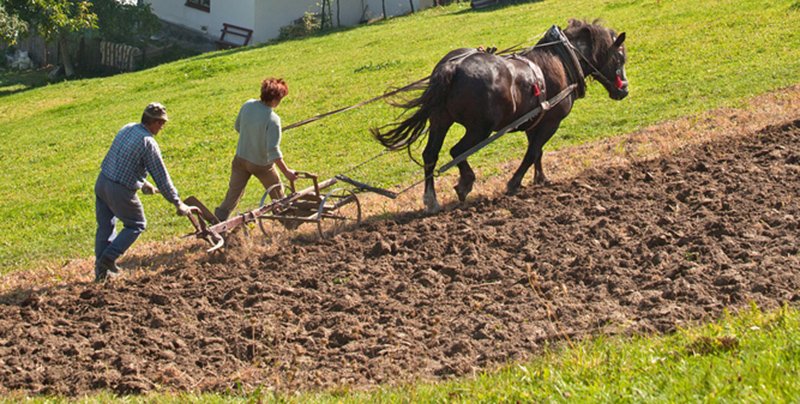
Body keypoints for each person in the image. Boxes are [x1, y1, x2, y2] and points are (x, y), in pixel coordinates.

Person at [94, 102, 192, 282]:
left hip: (102, 182)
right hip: (119, 189)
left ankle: (101, 273)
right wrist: (178, 203)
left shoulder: (128, 128)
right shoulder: (148, 142)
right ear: (154, 122)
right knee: (136, 224)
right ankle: (108, 259)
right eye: (161, 123)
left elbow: (122, 160)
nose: (162, 127)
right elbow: (161, 177)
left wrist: (142, 182)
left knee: (105, 226)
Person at [214, 78, 298, 222]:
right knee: (278, 193)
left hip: (241, 159)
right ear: (276, 99)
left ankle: (218, 221)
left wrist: (253, 133)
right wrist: (287, 172)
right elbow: (273, 151)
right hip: (261, 165)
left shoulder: (248, 105)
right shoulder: (273, 119)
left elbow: (238, 127)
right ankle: (288, 221)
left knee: (233, 194)